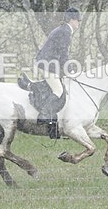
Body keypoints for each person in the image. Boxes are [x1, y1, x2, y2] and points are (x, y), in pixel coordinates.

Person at [33, 8, 81, 137]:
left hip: (48, 63)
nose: (78, 24)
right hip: (48, 65)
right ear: (71, 20)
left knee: (59, 88)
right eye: (77, 21)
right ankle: (44, 115)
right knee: (58, 91)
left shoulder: (62, 29)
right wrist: (70, 71)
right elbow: (63, 54)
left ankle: (53, 128)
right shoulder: (65, 32)